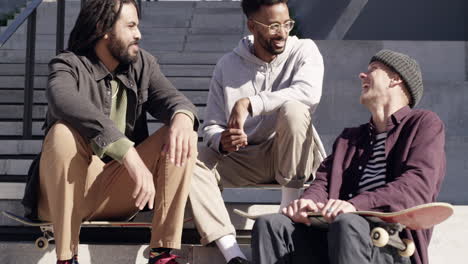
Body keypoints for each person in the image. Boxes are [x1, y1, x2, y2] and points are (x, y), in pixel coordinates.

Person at [21, 1, 198, 263]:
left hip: (117, 190)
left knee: (183, 133)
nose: (139, 34)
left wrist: (183, 117)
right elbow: (62, 99)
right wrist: (126, 151)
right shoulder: (68, 65)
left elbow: (174, 100)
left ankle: (163, 253)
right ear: (103, 28)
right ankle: (67, 257)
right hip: (63, 192)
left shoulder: (142, 65)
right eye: (131, 26)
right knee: (62, 133)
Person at [251, 49, 446, 264]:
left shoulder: (423, 124)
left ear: (395, 79)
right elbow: (324, 182)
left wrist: (356, 205)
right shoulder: (350, 138)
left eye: (372, 70)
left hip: (390, 244)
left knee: (347, 223)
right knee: (271, 225)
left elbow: (417, 185)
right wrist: (308, 202)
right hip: (337, 233)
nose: (362, 75)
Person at [188, 0, 325, 263]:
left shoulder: (305, 50)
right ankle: (232, 253)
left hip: (292, 151)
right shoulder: (228, 65)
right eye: (274, 25)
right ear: (252, 25)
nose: (282, 32)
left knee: (294, 110)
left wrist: (250, 103)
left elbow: (309, 94)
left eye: (287, 24)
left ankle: (287, 213)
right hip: (244, 157)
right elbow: (211, 128)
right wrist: (223, 141)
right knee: (190, 161)